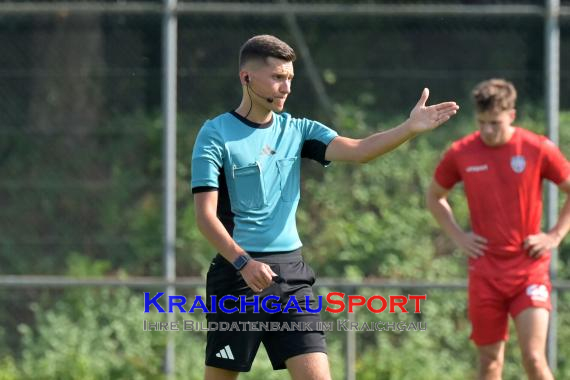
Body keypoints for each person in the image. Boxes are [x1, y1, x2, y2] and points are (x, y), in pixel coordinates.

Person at [191, 34, 459, 380]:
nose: (286, 86)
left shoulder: (299, 130)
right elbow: (205, 216)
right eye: (277, 77)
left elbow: (360, 150)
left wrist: (409, 129)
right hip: (238, 275)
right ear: (247, 78)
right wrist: (243, 262)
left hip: (292, 275)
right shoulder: (215, 134)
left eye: (289, 77)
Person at [426, 78, 570, 380]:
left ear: (512, 115)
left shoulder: (537, 147)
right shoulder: (461, 152)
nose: (488, 131)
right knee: (490, 361)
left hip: (529, 270)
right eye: (482, 123)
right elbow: (435, 196)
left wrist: (555, 235)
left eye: (495, 123)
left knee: (533, 357)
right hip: (485, 274)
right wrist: (458, 236)